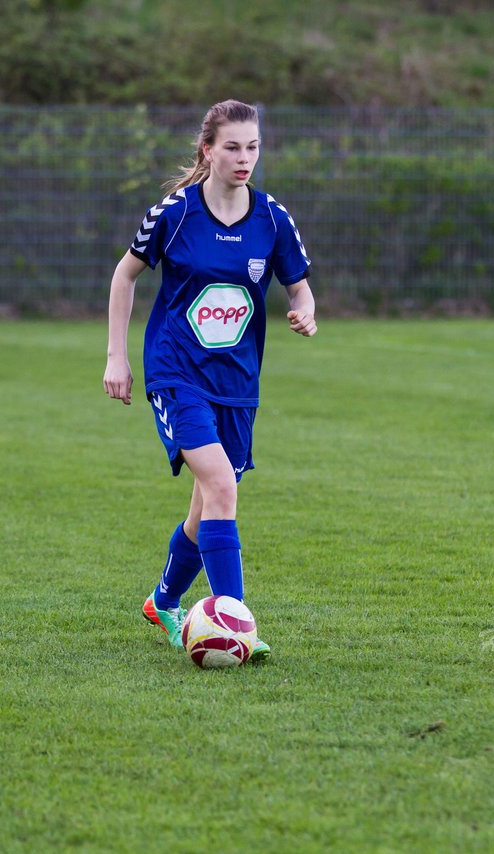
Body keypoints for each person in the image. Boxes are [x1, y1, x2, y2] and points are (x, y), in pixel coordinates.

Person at [103, 99, 317, 661]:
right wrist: (115, 358)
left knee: (207, 508)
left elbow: (298, 284)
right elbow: (124, 276)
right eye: (232, 147)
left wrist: (306, 309)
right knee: (222, 487)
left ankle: (163, 600)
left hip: (238, 383)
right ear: (208, 150)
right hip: (177, 374)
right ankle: (235, 621)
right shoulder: (174, 215)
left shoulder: (272, 217)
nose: (245, 158)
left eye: (253, 147)